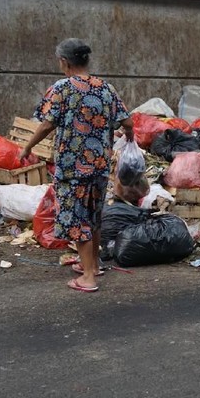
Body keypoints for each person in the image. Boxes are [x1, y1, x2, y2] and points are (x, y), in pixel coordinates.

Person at [18, 38, 134, 293]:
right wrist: (130, 138)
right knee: (93, 216)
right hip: (100, 166)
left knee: (78, 218)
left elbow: (48, 123)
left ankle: (89, 277)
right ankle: (92, 265)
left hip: (73, 168)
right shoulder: (106, 88)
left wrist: (27, 147)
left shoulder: (62, 88)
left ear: (64, 62)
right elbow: (127, 121)